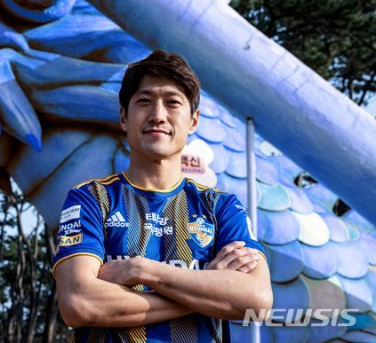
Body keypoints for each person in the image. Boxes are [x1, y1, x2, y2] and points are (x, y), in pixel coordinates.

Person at [53, 50, 273, 342]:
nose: (158, 116)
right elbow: (79, 303)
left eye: (172, 102)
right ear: (124, 117)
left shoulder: (221, 207)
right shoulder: (91, 199)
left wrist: (141, 269)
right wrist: (207, 289)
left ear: (193, 121)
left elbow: (257, 300)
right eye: (144, 101)